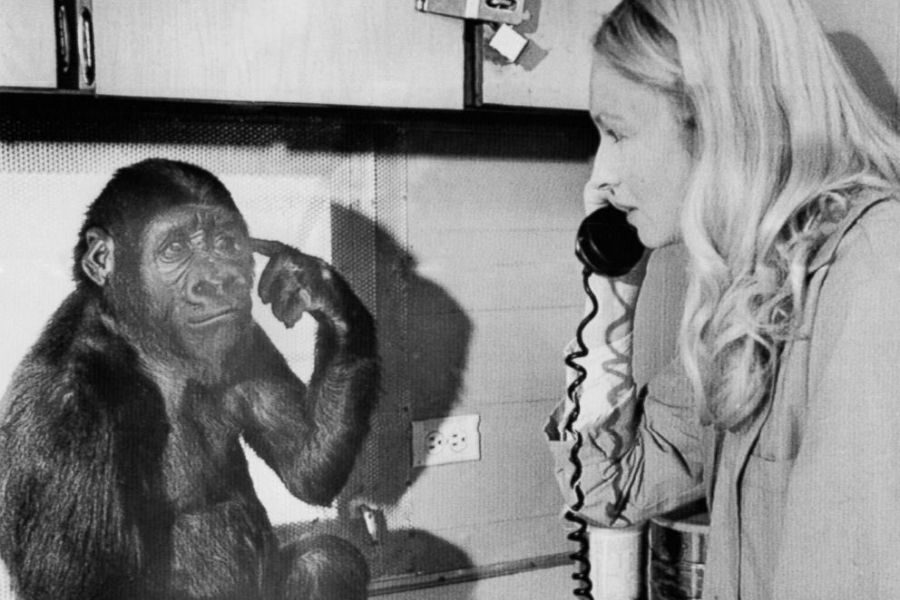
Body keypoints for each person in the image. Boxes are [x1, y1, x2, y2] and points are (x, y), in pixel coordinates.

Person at [544, 0, 900, 598]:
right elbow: (610, 489)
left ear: (715, 121)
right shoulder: (753, 300)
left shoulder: (872, 272)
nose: (599, 175)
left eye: (617, 131)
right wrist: (612, 289)